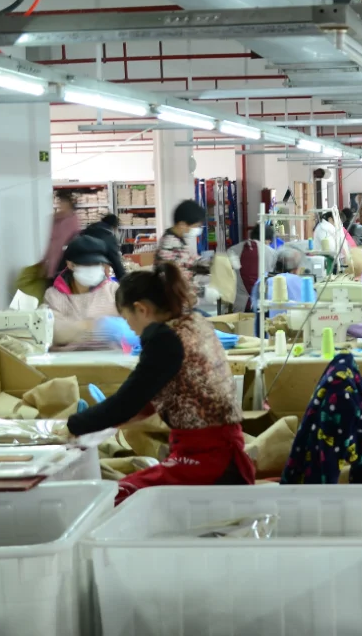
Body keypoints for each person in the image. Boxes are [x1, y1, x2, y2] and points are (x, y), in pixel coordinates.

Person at [63, 264, 254, 503]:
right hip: (219, 450)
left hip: (208, 458)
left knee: (113, 499)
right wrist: (108, 421)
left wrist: (73, 426)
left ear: (141, 309)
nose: (130, 328)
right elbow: (160, 393)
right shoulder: (194, 323)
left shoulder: (165, 340)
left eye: (127, 319)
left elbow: (127, 402)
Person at [43, 235, 120, 350]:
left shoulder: (113, 291)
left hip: (111, 358)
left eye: (97, 264)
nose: (93, 268)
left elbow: (132, 323)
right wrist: (93, 326)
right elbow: (54, 332)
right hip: (68, 359)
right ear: (70, 265)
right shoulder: (54, 296)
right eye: (87, 264)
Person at [155, 200, 207, 292]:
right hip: (174, 298)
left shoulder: (178, 239)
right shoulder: (169, 244)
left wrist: (212, 264)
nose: (197, 229)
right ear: (182, 224)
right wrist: (202, 291)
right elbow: (176, 281)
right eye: (196, 226)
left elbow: (190, 260)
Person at [249, 246, 309, 325]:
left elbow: (256, 308)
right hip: (294, 329)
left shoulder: (262, 281)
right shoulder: (299, 282)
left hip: (266, 330)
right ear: (296, 269)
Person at [60, 213, 126, 281]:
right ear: (114, 227)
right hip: (93, 276)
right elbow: (116, 264)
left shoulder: (85, 232)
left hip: (72, 274)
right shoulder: (109, 238)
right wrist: (125, 282)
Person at [233, 223, 277, 313]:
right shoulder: (271, 253)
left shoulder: (234, 250)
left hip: (239, 304)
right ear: (268, 240)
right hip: (262, 304)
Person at [42, 189, 82, 280]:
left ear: (69, 203)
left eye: (63, 201)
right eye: (60, 201)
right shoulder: (55, 218)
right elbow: (51, 241)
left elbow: (62, 241)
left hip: (67, 261)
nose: (60, 204)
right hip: (55, 261)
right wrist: (44, 261)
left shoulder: (72, 220)